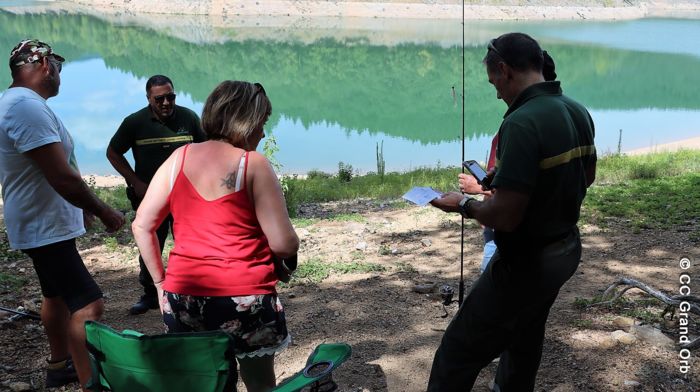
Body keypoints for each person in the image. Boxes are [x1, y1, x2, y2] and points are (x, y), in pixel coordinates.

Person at [428, 32, 596, 391]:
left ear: (504, 69)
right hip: (565, 249)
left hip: (525, 264)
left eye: (494, 82)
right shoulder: (576, 110)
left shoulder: (520, 121)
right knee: (524, 338)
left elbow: (504, 216)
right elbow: (587, 176)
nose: (496, 91)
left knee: (455, 355)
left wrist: (463, 204)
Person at [132, 80, 299, 392]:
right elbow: (283, 243)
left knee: (204, 383)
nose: (262, 133)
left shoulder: (178, 159)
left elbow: (142, 225)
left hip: (182, 297)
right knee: (260, 384)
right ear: (246, 121)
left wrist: (159, 284)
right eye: (261, 123)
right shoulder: (253, 165)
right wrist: (293, 246)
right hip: (245, 298)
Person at [0, 39, 125, 390]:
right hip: (43, 225)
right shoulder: (25, 107)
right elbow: (60, 175)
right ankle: (90, 383)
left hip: (43, 221)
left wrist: (79, 207)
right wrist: (102, 210)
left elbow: (52, 168)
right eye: (58, 66)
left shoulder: (19, 103)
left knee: (55, 295)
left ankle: (59, 365)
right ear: (43, 65)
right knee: (89, 304)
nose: (59, 75)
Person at [106, 74, 206, 315]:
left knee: (189, 244)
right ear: (149, 98)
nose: (165, 103)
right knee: (150, 244)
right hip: (150, 197)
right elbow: (113, 152)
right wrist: (135, 181)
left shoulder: (189, 118)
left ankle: (190, 291)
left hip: (186, 198)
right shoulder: (135, 122)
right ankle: (151, 294)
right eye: (159, 99)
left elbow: (205, 151)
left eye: (170, 97)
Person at [460, 51, 556, 274]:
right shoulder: (566, 115)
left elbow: (511, 199)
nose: (497, 94)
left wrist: (473, 192)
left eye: (495, 83)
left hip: (505, 237)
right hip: (548, 238)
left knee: (488, 301)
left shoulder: (518, 127)